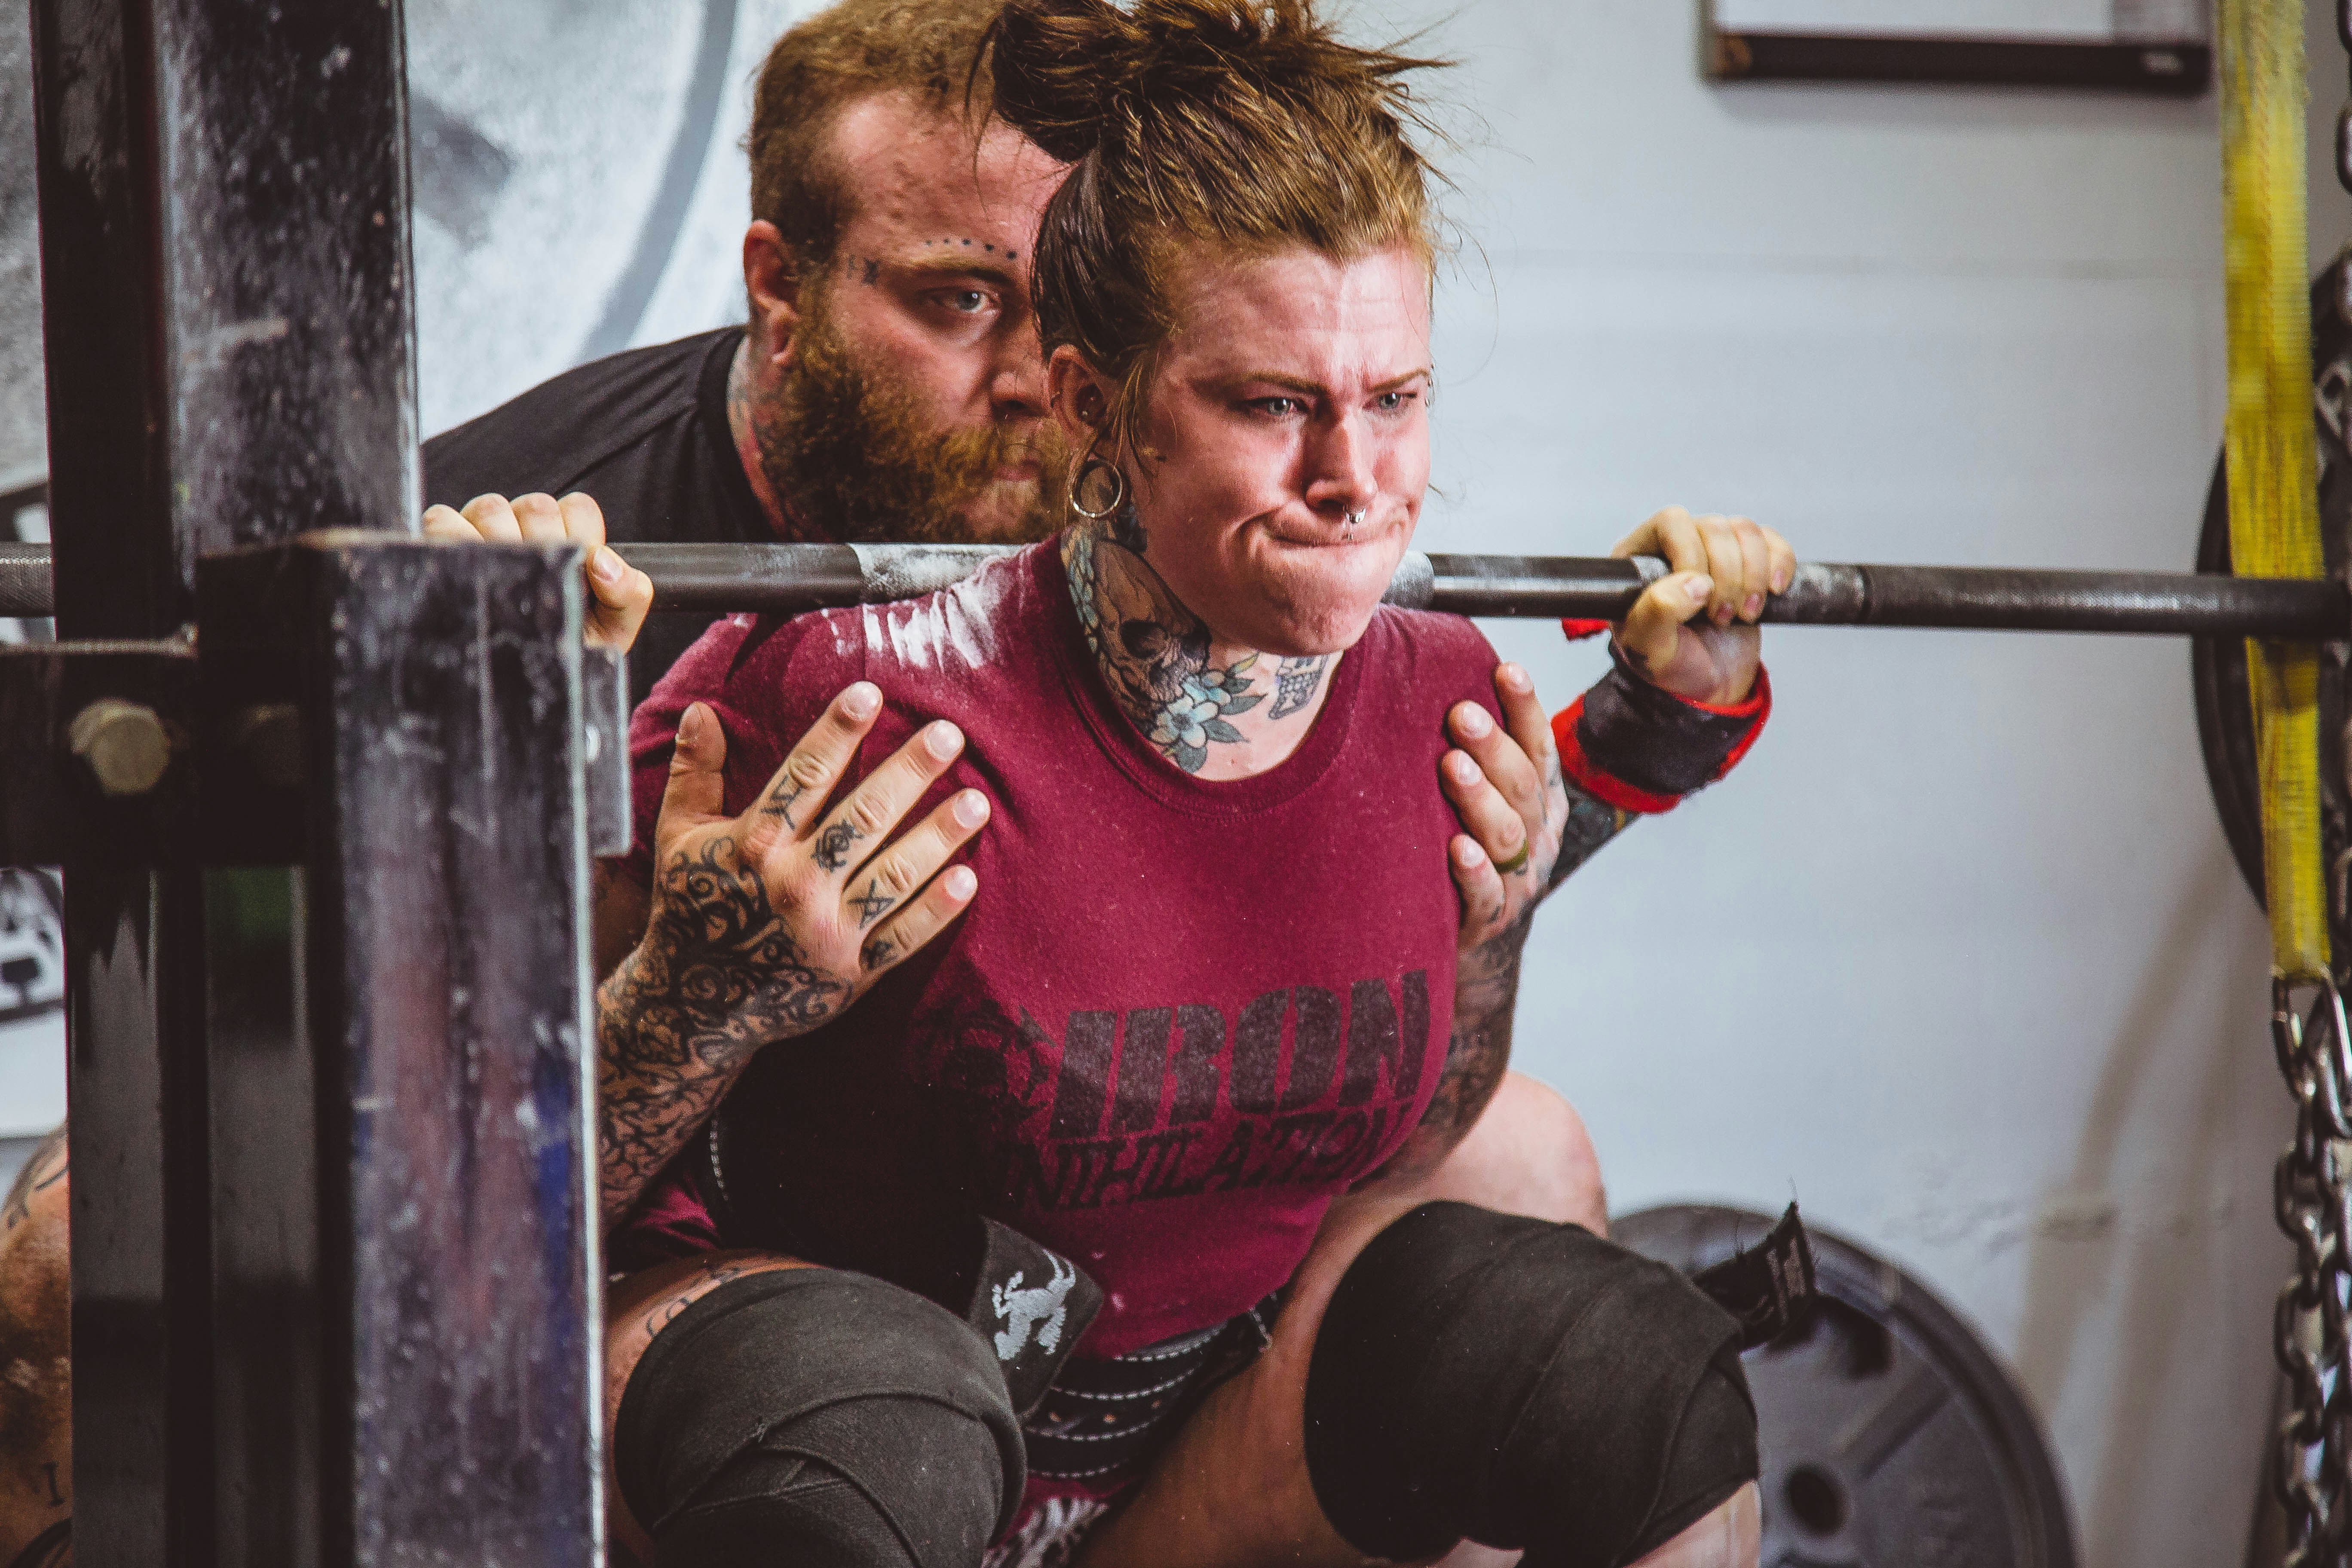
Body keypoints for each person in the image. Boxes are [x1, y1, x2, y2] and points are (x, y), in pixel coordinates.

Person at [0, 1, 1776, 1562]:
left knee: (1530, 1172)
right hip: (596, 1152)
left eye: (1065, 302)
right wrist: (498, 750)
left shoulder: (1139, 524)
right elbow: (379, 1084)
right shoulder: (582, 533)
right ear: (786, 288)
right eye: (960, 301)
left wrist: (1649, 734)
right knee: (84, 1256)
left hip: (1070, 1249)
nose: (1026, 380)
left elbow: (1303, 897)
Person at [586, 2, 1789, 1565]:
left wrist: (1499, 919)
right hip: (841, 1392)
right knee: (875, 1428)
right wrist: (704, 992)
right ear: (1097, 403)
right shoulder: (836, 691)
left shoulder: (1434, 691)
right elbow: (476, 1173)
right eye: (1273, 405)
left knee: (1619, 1383)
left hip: (1180, 1415)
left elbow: (1404, 1116)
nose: (1358, 482)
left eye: (1398, 397)